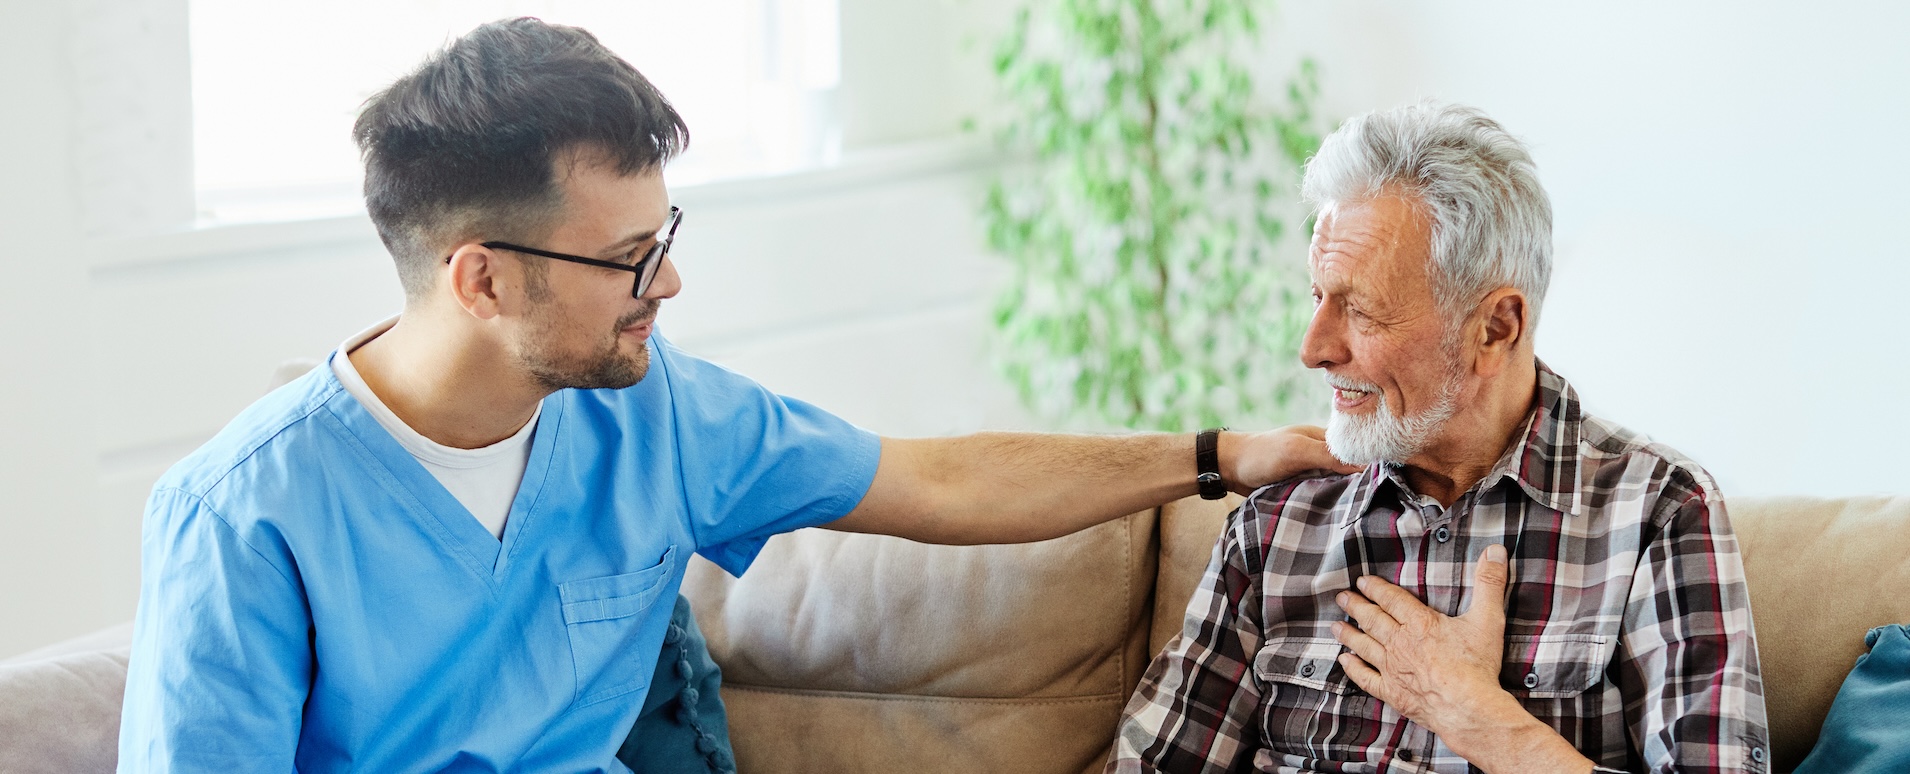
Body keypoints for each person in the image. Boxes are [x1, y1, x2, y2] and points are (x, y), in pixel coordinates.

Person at [114, 18, 1349, 773]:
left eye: (665, 235)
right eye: (626, 259)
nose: (670, 280)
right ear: (480, 279)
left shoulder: (657, 418)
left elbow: (937, 478)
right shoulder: (243, 515)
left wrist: (1215, 452)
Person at [1107, 102, 1770, 773]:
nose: (1313, 350)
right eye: (1318, 298)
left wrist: (1477, 719)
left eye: (1360, 309)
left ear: (1495, 328)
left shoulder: (1658, 515)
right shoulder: (1276, 526)